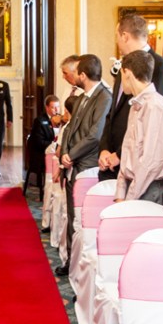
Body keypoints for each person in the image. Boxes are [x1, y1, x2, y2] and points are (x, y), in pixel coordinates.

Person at [98, 14, 163, 182]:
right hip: (109, 165)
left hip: (137, 166)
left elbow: (154, 123)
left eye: (117, 37)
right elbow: (113, 113)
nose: (117, 42)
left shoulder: (160, 68)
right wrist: (104, 149)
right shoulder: (124, 67)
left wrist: (120, 154)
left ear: (124, 36)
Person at [55, 54, 112, 276]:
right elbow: (70, 128)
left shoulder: (104, 98)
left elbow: (95, 135)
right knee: (72, 216)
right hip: (73, 163)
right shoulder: (81, 97)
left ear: (83, 75)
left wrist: (72, 155)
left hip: (88, 165)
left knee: (82, 219)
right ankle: (71, 261)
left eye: (76, 72)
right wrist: (65, 154)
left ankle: (80, 267)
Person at [113, 50, 163, 209]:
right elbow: (127, 150)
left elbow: (150, 161)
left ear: (127, 73)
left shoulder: (156, 107)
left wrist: (129, 199)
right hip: (133, 186)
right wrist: (120, 193)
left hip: (149, 190)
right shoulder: (136, 105)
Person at [25, 95, 60, 198]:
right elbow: (39, 142)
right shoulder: (40, 121)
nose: (56, 110)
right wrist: (55, 145)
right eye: (53, 107)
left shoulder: (61, 119)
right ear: (47, 108)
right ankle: (49, 192)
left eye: (58, 107)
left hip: (54, 152)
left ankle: (58, 192)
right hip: (40, 155)